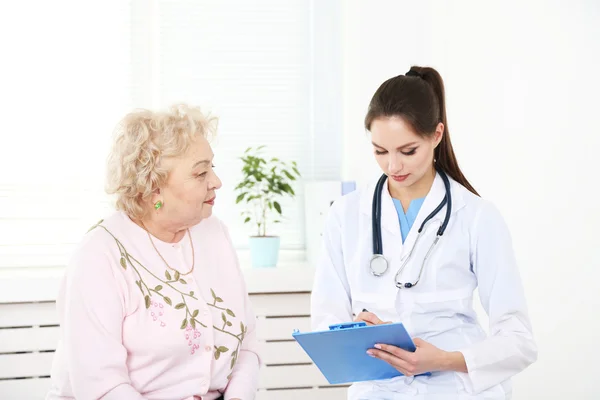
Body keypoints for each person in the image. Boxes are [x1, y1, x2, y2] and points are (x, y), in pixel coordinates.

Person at [310, 66, 537, 399]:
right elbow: (326, 321)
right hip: (379, 389)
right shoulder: (345, 216)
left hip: (456, 389)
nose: (393, 167)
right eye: (380, 151)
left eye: (408, 151)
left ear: (436, 135)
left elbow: (518, 340)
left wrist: (445, 360)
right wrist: (354, 331)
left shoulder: (476, 216)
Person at [47, 104, 260, 400]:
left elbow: (248, 341)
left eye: (213, 167)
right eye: (200, 173)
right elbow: (102, 387)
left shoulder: (215, 234)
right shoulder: (100, 255)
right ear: (154, 188)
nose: (216, 182)